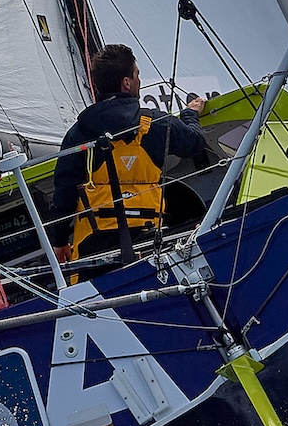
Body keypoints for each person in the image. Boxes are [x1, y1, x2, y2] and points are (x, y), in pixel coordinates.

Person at [48, 44, 210, 265]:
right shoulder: (154, 124)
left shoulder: (78, 134)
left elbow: (64, 194)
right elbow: (195, 142)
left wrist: (59, 241)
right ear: (127, 83)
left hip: (94, 249)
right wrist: (190, 114)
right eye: (137, 75)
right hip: (149, 241)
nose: (139, 81)